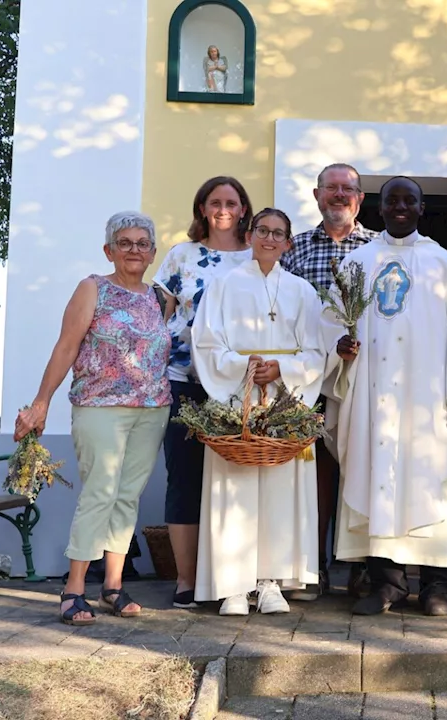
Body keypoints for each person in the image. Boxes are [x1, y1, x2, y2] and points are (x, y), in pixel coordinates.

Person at [328, 176, 447, 617]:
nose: (400, 207)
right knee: (377, 477)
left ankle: (438, 586)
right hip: (373, 395)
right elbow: (333, 323)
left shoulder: (443, 264)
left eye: (409, 201)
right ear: (378, 209)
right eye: (391, 201)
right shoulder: (357, 262)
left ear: (422, 209)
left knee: (435, 481)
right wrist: (339, 350)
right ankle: (388, 583)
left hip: (430, 397)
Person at [15, 212, 171, 625]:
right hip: (100, 406)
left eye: (142, 243)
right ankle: (73, 589)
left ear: (153, 253)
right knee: (99, 492)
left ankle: (113, 587)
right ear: (109, 250)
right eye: (125, 242)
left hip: (152, 408)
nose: (134, 249)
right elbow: (66, 347)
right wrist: (40, 402)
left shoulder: (159, 297)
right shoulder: (92, 288)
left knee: (127, 496)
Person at [190, 208, 328, 615]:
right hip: (239, 401)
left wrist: (282, 369)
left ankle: (270, 582)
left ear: (288, 242)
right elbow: (206, 343)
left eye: (278, 233)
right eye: (263, 230)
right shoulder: (223, 285)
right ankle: (233, 584)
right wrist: (247, 367)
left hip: (285, 400)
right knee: (235, 489)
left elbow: (317, 350)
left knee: (279, 493)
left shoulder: (303, 291)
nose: (270, 238)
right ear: (250, 235)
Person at [281, 163, 379, 602]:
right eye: (332, 188)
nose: (339, 195)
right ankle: (312, 565)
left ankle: (360, 565)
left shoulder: (379, 247)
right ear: (317, 195)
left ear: (360, 197)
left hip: (365, 377)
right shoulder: (294, 248)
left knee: (361, 469)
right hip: (307, 381)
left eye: (348, 189)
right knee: (312, 472)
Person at [155, 176, 254, 608]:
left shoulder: (257, 256)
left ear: (244, 208)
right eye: (215, 202)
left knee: (237, 481)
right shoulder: (182, 256)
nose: (224, 209)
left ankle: (234, 576)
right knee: (186, 478)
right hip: (185, 381)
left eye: (232, 201)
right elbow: (159, 314)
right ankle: (187, 580)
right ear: (202, 208)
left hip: (241, 388)